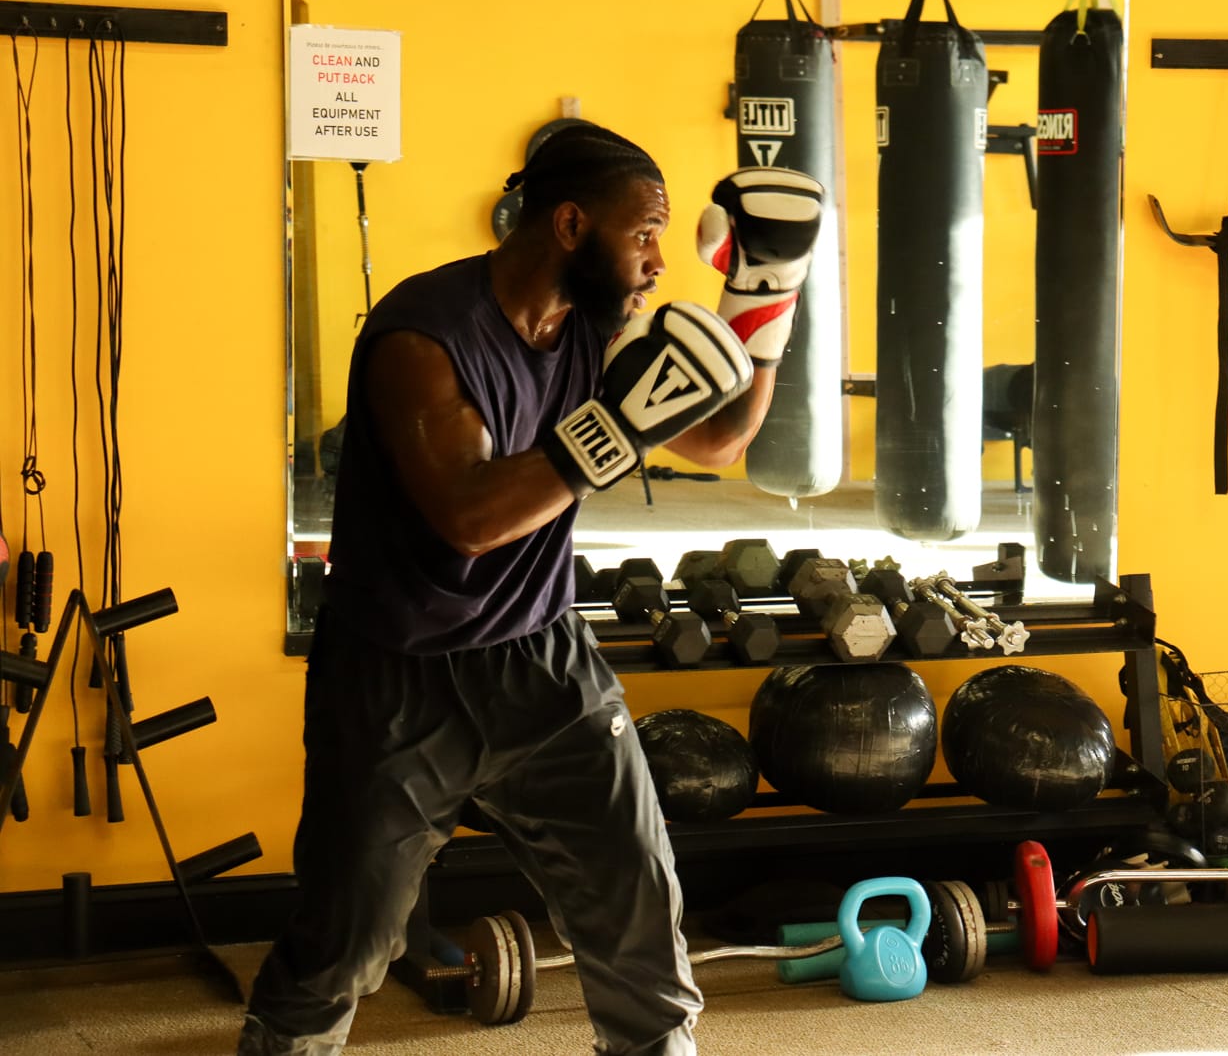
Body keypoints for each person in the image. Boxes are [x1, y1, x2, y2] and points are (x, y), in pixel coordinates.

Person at [238, 123, 823, 1055]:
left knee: (638, 901)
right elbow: (467, 516)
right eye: (644, 234)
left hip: (545, 661)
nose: (658, 260)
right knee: (347, 941)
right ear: (570, 224)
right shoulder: (421, 335)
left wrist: (767, 299)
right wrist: (616, 429)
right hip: (396, 678)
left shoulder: (596, 327)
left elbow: (719, 440)